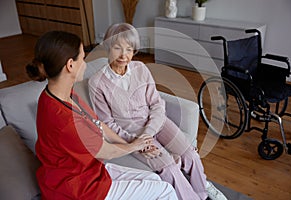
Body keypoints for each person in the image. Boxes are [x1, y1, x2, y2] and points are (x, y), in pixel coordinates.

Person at [26, 30, 178, 200]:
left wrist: (136, 143)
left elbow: (98, 124)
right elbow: (105, 151)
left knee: (154, 178)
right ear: (70, 65)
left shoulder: (60, 95)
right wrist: (134, 146)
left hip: (89, 171)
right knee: (166, 191)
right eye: (83, 59)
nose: (85, 64)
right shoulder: (64, 120)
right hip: (80, 189)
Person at [88, 23, 228, 200]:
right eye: (117, 48)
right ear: (108, 46)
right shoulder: (97, 82)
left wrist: (148, 133)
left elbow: (156, 104)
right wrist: (138, 142)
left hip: (156, 123)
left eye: (129, 49)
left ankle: (202, 191)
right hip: (130, 134)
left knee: (190, 153)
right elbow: (107, 124)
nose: (124, 55)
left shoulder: (141, 69)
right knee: (168, 167)